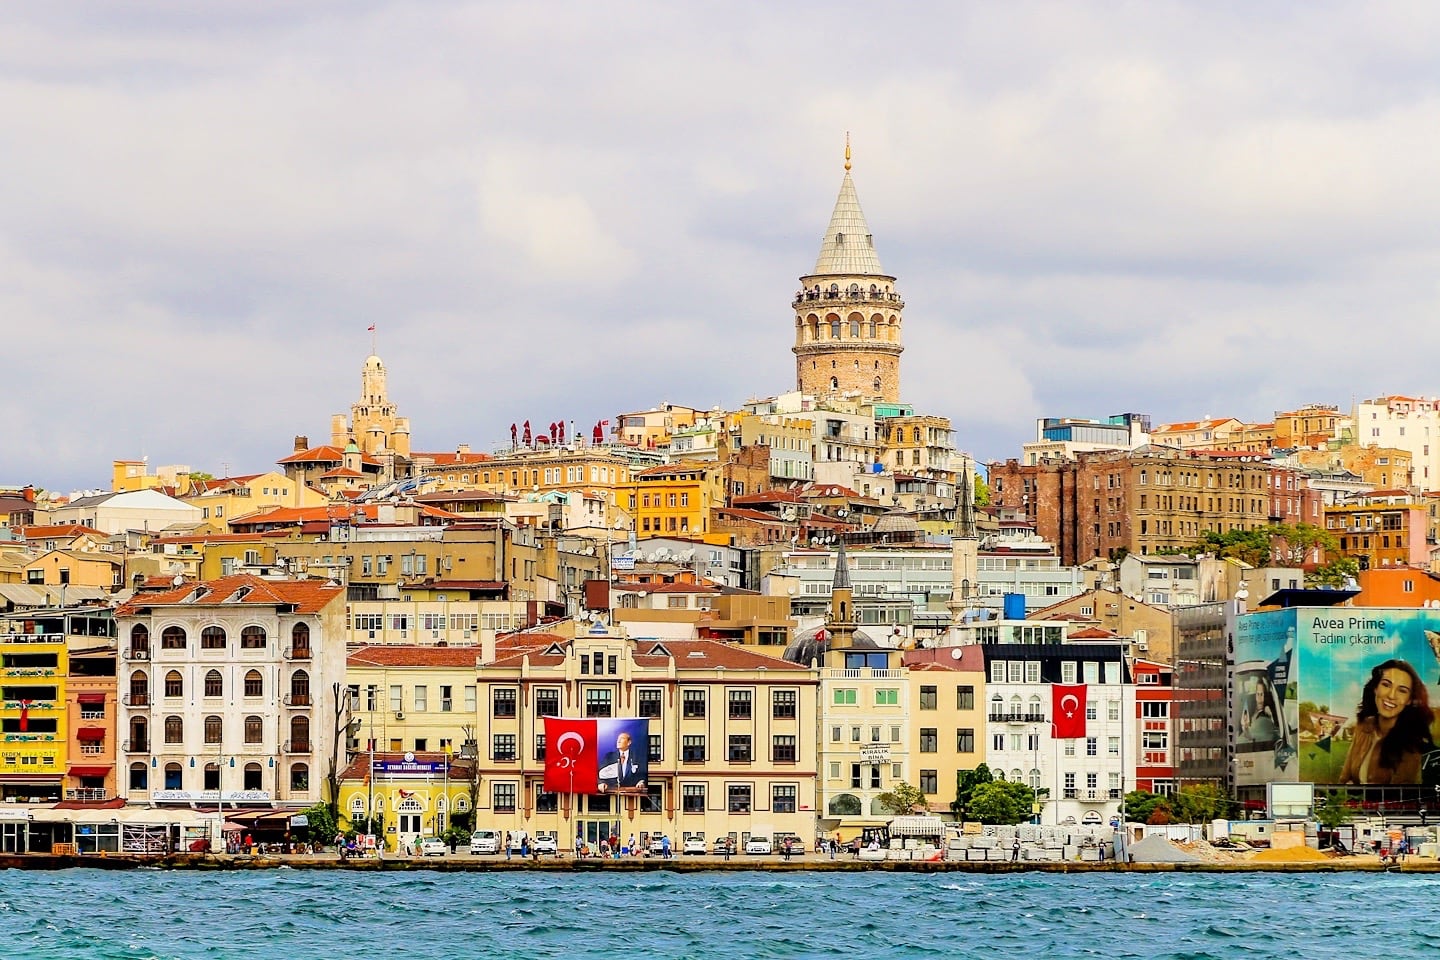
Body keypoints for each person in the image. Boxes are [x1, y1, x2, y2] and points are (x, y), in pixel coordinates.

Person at [1339, 659, 1434, 785]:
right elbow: (1344, 779)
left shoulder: (1413, 744)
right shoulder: (1364, 726)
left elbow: (1402, 798)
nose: (1391, 695)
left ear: (1409, 700)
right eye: (1386, 685)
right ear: (1375, 688)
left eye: (1402, 690)